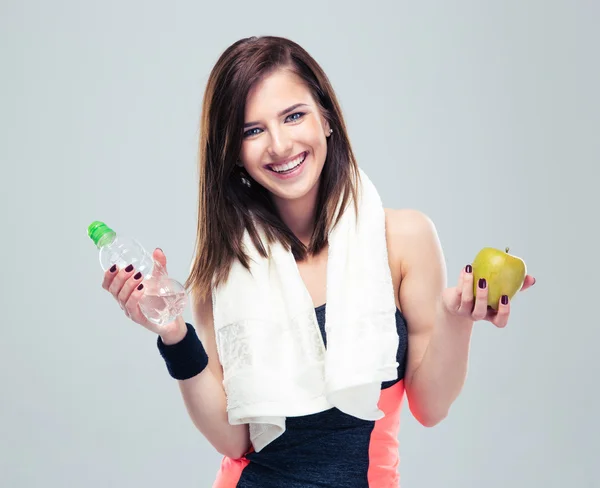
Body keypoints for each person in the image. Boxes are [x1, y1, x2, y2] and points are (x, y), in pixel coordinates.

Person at [101, 36, 535, 487]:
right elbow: (234, 441)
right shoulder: (225, 270)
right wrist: (173, 334)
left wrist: (455, 318)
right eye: (253, 130)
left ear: (326, 118)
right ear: (233, 153)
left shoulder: (404, 239)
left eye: (293, 116)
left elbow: (432, 407)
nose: (280, 144)